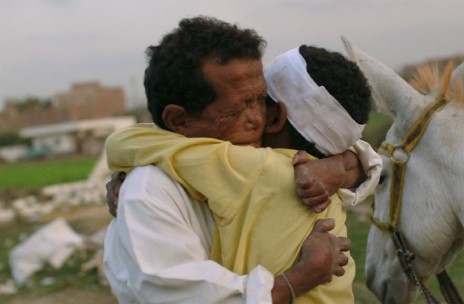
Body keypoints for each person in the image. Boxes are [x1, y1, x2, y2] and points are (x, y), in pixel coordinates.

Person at [104, 16, 381, 304]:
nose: (258, 119)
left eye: (260, 101)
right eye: (238, 108)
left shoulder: (280, 168)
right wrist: (299, 277)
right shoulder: (153, 189)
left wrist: (343, 165)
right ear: (178, 119)